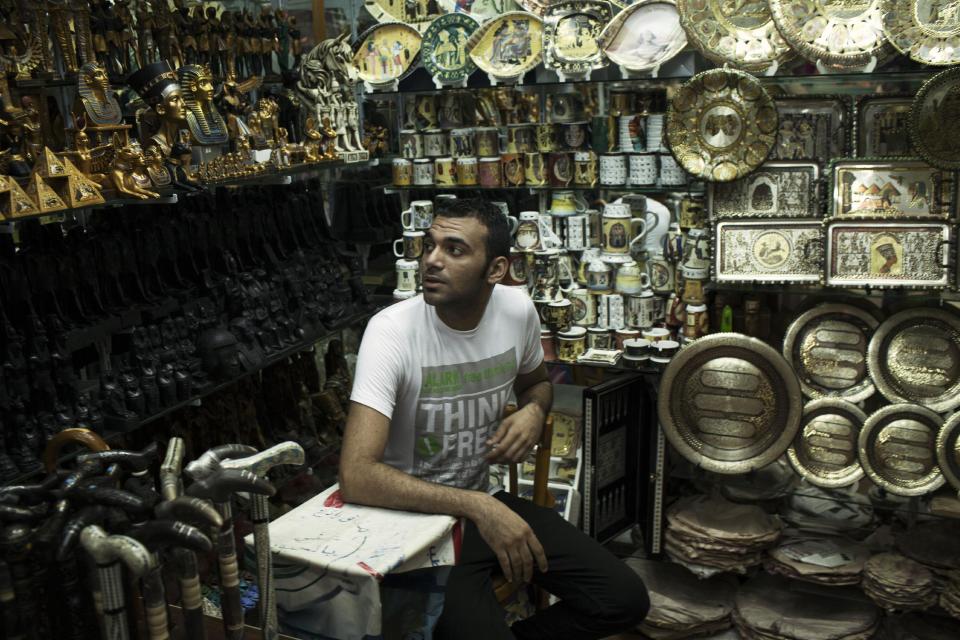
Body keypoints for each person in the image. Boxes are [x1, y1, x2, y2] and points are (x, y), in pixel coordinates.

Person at [340, 198, 649, 639]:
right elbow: (356, 475)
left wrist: (533, 409)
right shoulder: (392, 331)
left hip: (483, 508)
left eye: (455, 249)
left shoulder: (516, 310)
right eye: (429, 246)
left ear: (496, 269)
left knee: (623, 599)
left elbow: (536, 382)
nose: (432, 260)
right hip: (416, 526)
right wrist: (478, 505)